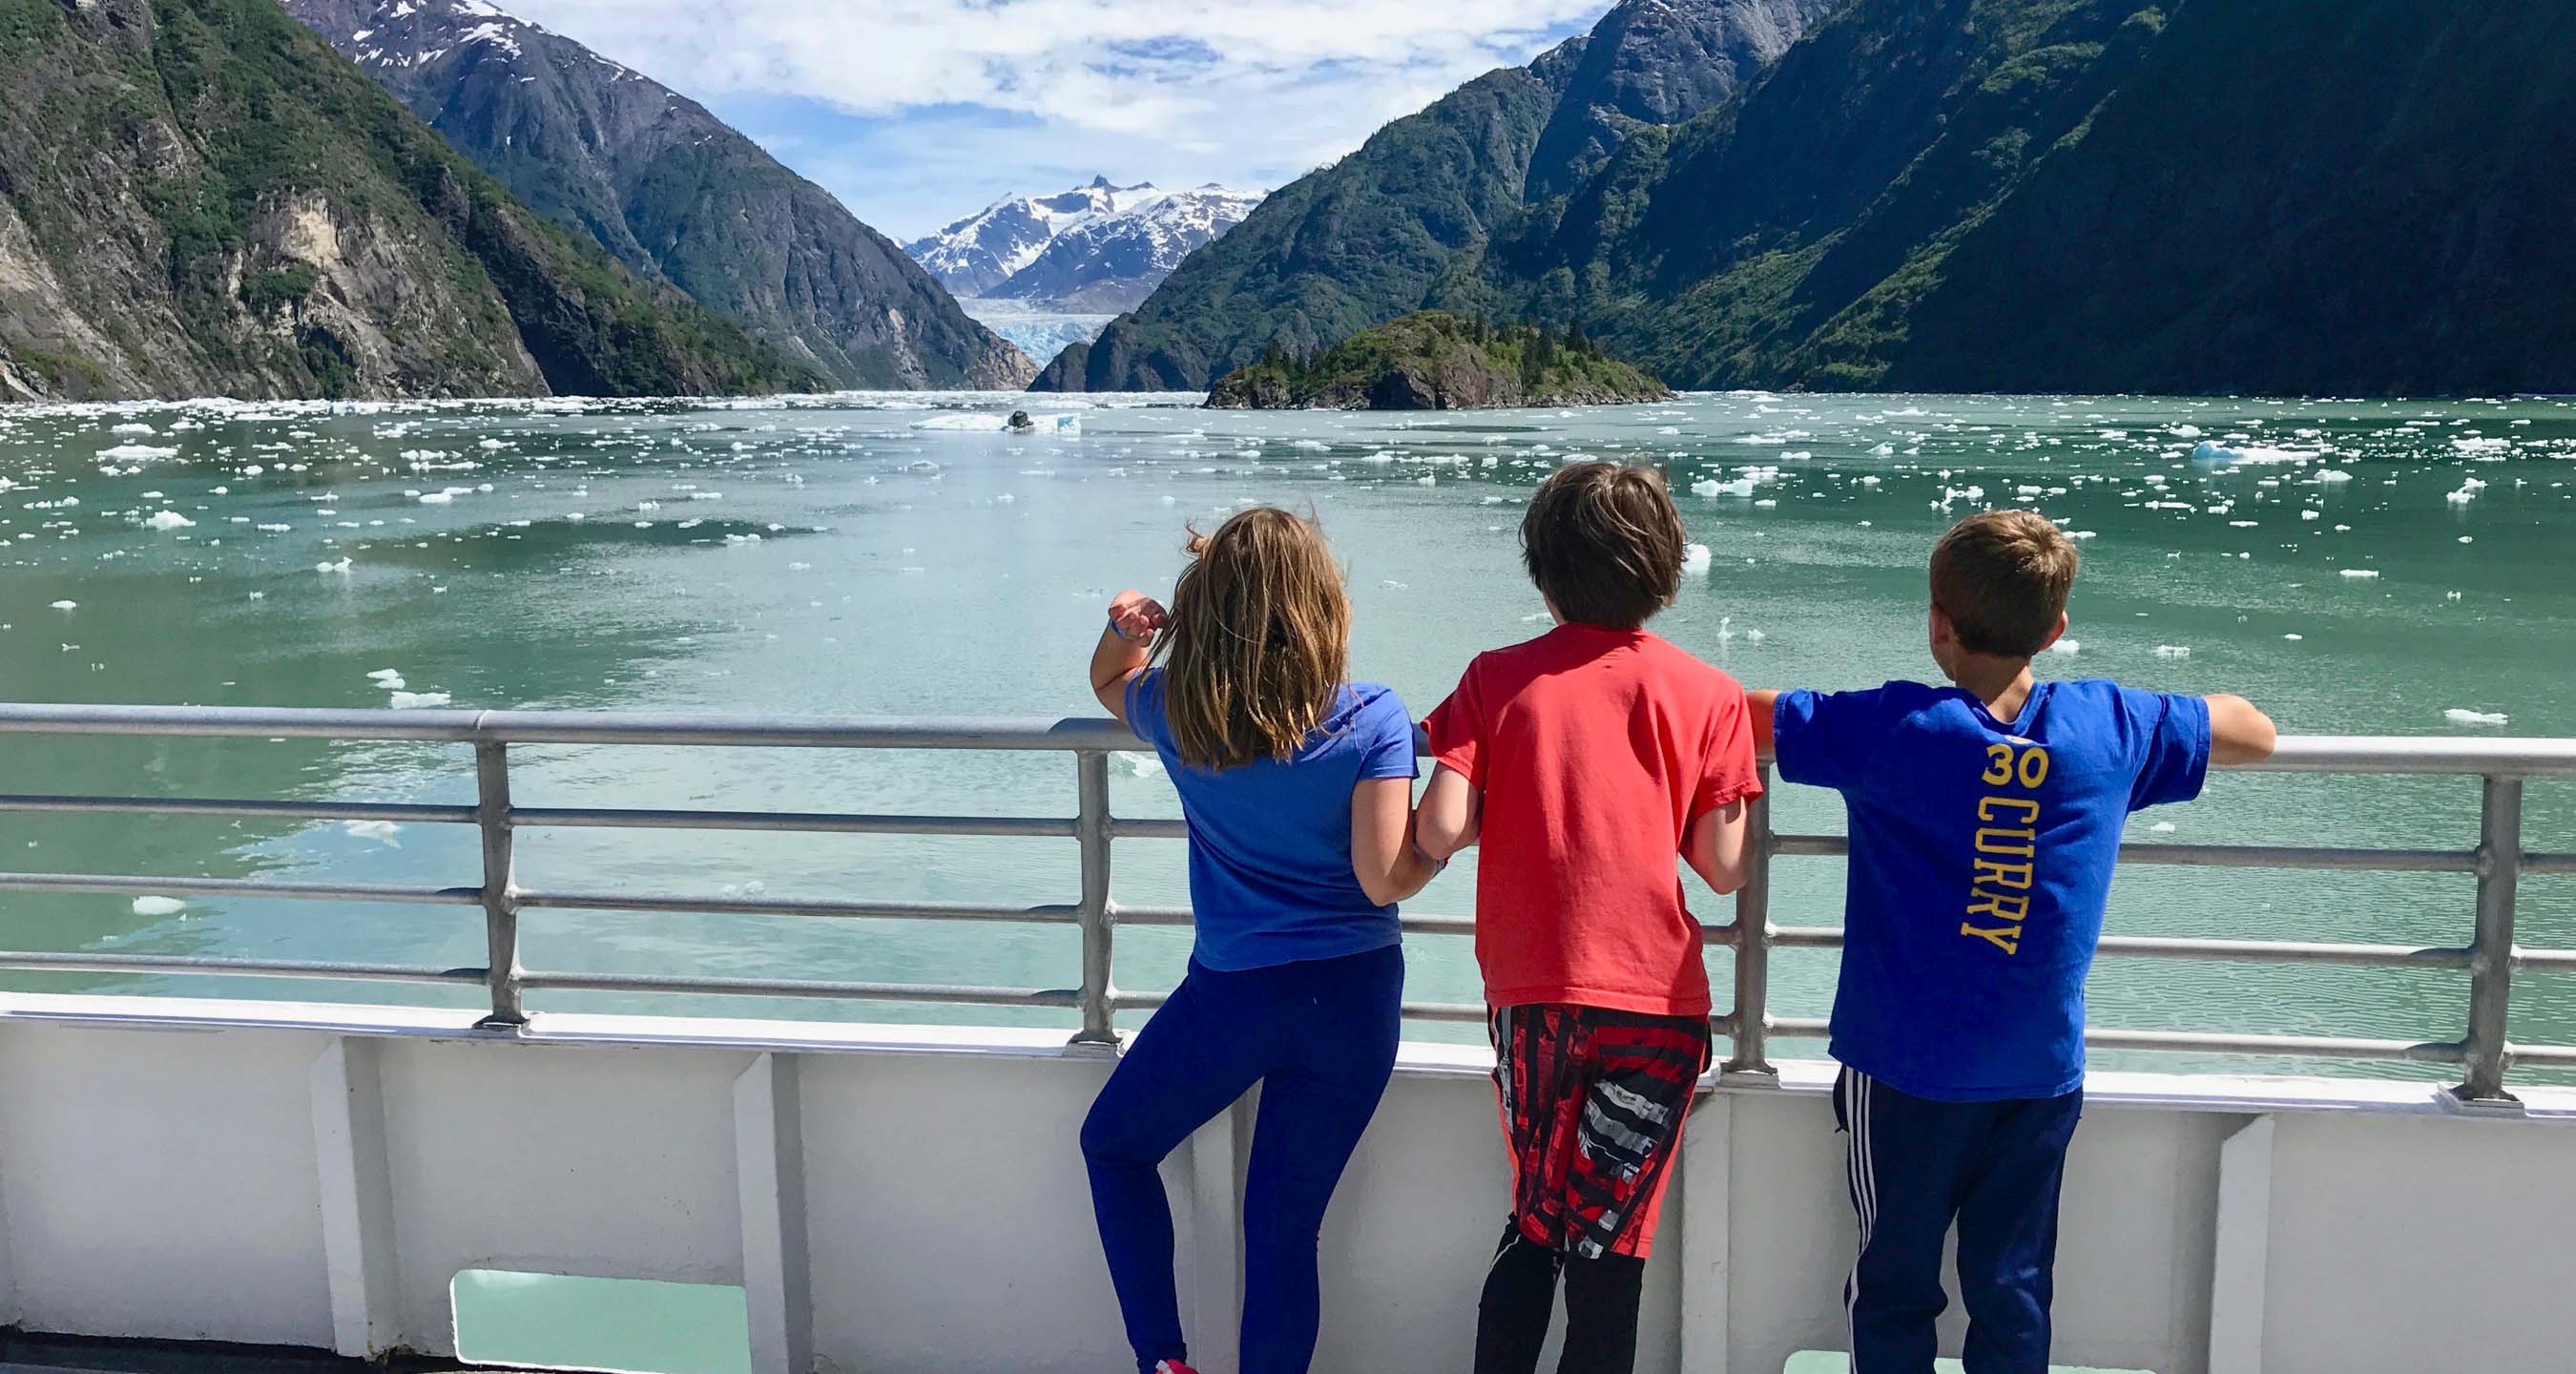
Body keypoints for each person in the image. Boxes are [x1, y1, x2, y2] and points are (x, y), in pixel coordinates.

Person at [1747, 510, 2277, 1374]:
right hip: (2037, 1070)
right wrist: (2156, 714)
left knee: (1893, 1285)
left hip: (1903, 1070)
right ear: (2055, 629)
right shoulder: (2111, 725)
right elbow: (2254, 732)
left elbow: (1736, 718)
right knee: (2013, 1285)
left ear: (1938, 623)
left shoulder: (1890, 728)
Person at [1414, 461, 1761, 1374]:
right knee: (1609, 1251)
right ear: (1665, 571)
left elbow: (1439, 828)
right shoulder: (1709, 693)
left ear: (1544, 569)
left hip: (1534, 996)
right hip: (1655, 1007)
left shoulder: (1495, 678)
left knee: (1536, 1222)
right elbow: (1724, 868)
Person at [1079, 507, 1442, 1374]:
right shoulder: (1373, 718)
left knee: (1115, 1146)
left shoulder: (1177, 710)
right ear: (1322, 607)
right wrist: (1442, 840)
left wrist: (1123, 628)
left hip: (1234, 998)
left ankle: (1164, 1361)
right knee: (1282, 1229)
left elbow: (1108, 682)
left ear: (1206, 607)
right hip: (1352, 999)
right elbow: (1385, 878)